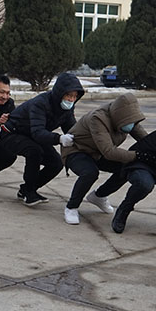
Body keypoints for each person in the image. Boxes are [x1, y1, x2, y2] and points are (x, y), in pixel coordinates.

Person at [60, 93, 148, 224]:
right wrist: (137, 155)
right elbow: (109, 152)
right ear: (119, 116)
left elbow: (146, 140)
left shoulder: (129, 118)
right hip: (77, 150)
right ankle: (71, 207)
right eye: (129, 122)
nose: (131, 125)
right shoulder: (98, 119)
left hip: (97, 152)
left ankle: (99, 196)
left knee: (126, 167)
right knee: (90, 172)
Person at [1, 73, 84, 206]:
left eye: (75, 96)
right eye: (68, 95)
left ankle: (27, 189)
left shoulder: (67, 108)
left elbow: (72, 129)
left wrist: (84, 140)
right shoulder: (40, 103)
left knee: (56, 163)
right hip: (12, 134)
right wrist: (59, 138)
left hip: (32, 135)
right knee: (34, 151)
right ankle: (29, 193)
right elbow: (38, 132)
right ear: (60, 93)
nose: (71, 99)